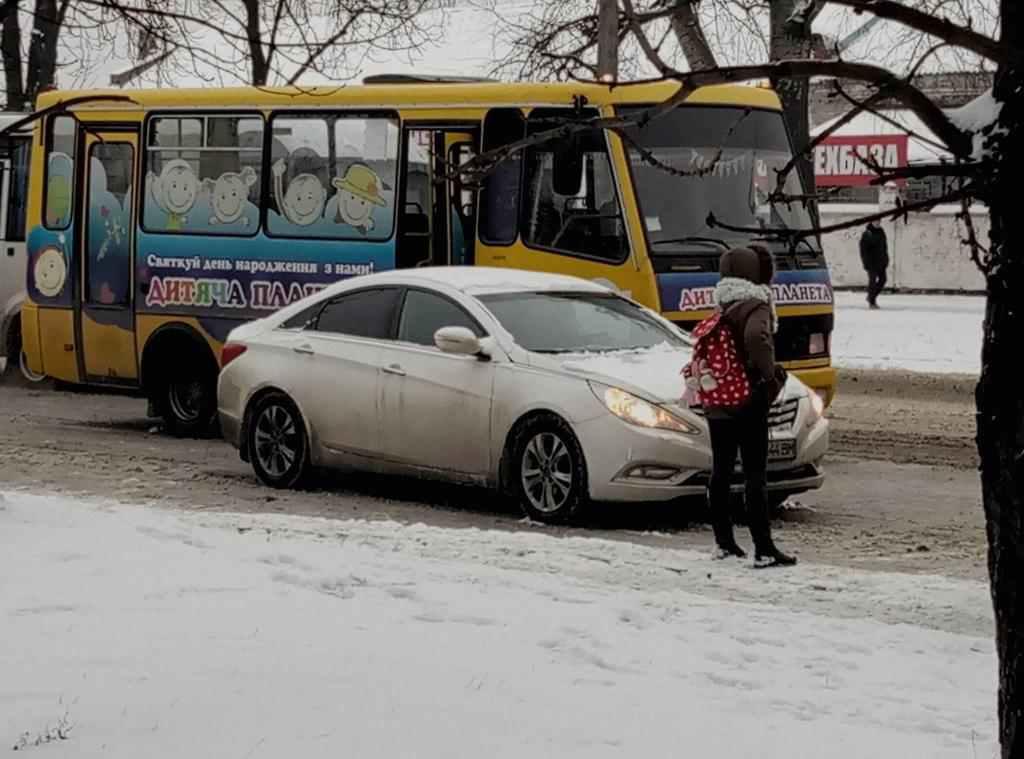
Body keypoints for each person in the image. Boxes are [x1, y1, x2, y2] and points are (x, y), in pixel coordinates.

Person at [706, 245, 797, 568]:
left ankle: (724, 542)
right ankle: (763, 547)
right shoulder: (755, 304)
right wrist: (769, 375)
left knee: (721, 470)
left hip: (718, 400)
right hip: (747, 400)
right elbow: (757, 338)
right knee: (755, 474)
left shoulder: (721, 303)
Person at [859, 221, 889, 309]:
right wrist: (865, 262)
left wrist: (886, 259)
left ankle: (871, 296)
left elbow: (884, 247)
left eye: (879, 222)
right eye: (876, 222)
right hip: (871, 262)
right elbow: (863, 250)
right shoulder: (867, 234)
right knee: (872, 281)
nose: (878, 223)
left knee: (883, 280)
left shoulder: (881, 232)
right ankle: (872, 302)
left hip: (881, 261)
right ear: (872, 222)